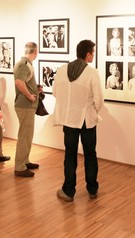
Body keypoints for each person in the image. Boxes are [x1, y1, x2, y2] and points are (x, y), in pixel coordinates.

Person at [53, 39, 104, 202]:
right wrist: (94, 110)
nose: (93, 56)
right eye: (93, 53)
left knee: (70, 155)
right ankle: (92, 189)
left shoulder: (61, 70)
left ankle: (68, 190)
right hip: (86, 119)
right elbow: (99, 99)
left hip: (69, 119)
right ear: (88, 54)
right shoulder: (91, 72)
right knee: (90, 154)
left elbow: (55, 92)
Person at [13, 42, 42, 177]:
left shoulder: (25, 64)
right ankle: (19, 167)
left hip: (26, 105)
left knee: (27, 135)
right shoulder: (24, 65)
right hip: (24, 105)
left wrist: (35, 89)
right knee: (24, 136)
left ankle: (25, 161)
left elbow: (24, 81)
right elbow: (19, 82)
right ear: (35, 52)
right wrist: (30, 96)